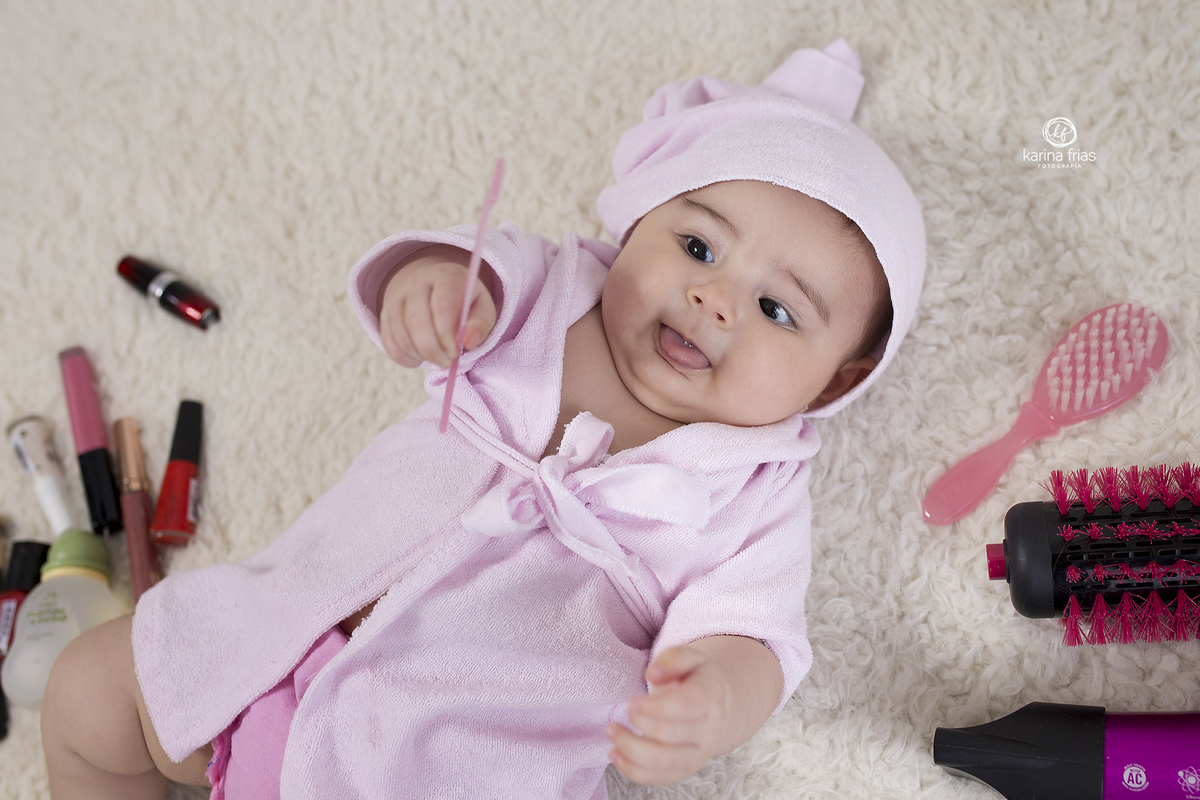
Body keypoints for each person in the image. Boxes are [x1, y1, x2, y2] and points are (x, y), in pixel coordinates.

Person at [40, 38, 925, 800]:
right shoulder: (551, 289)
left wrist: (719, 695)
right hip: (265, 649)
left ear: (832, 381)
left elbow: (756, 633)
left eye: (778, 310)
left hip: (448, 761)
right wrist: (433, 285)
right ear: (637, 222)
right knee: (89, 691)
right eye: (696, 246)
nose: (715, 299)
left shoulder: (757, 486)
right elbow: (470, 268)